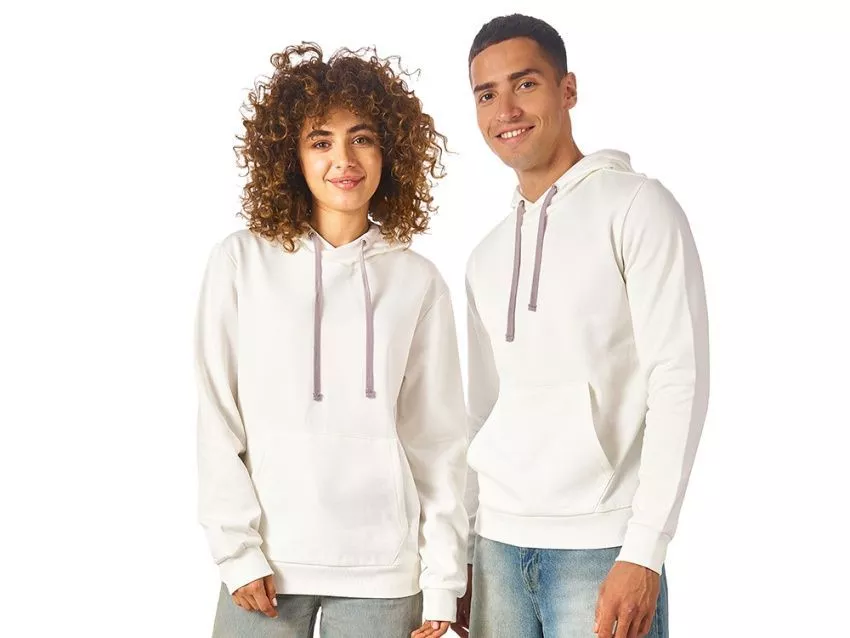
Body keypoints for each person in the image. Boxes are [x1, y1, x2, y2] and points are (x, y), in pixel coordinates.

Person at [194, 43, 467, 638]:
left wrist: (444, 580)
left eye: (361, 138)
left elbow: (438, 440)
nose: (344, 160)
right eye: (321, 141)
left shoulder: (417, 280)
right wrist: (236, 551)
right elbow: (217, 416)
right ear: (291, 156)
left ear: (390, 150)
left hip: (386, 575)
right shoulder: (241, 262)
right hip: (266, 567)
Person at [454, 15, 710, 638]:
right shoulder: (485, 255)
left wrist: (644, 549)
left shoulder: (637, 206)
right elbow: (481, 410)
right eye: (486, 94)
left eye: (525, 83)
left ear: (567, 89)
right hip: (496, 548)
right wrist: (464, 550)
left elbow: (678, 378)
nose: (506, 110)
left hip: (602, 548)